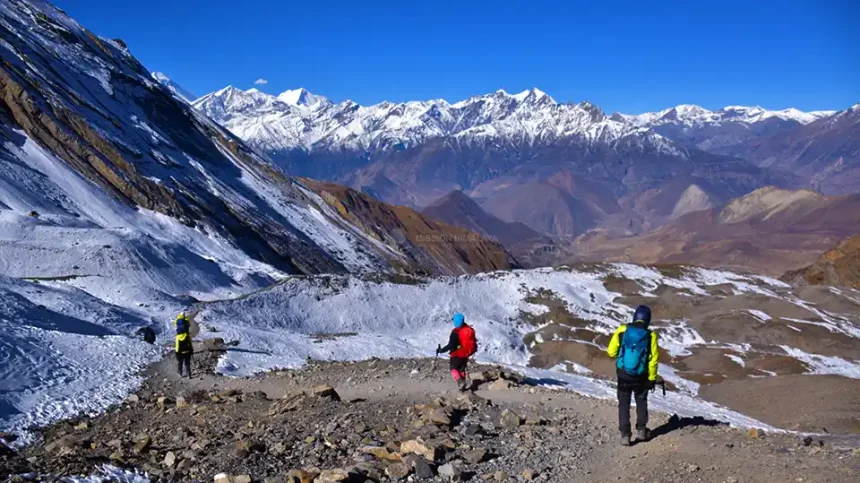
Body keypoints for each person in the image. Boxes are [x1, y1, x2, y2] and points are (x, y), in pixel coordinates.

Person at [607, 305, 660, 446]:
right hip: (641, 376)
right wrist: (652, 379)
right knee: (641, 401)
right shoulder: (650, 335)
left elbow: (611, 352)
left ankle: (625, 435)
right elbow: (653, 359)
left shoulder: (622, 330)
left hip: (623, 374)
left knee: (624, 403)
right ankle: (642, 431)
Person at [436, 313, 478, 391]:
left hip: (457, 353)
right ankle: (462, 387)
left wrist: (441, 350)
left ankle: (460, 382)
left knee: (453, 368)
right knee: (461, 369)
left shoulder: (456, 332)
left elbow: (451, 345)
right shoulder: (469, 329)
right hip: (466, 354)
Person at [175, 313, 194, 378]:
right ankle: (189, 374)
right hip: (188, 351)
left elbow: (177, 346)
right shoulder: (187, 335)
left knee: (180, 363)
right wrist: (191, 350)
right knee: (187, 364)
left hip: (181, 352)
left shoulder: (177, 337)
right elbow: (190, 343)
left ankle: (180, 373)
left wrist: (177, 352)